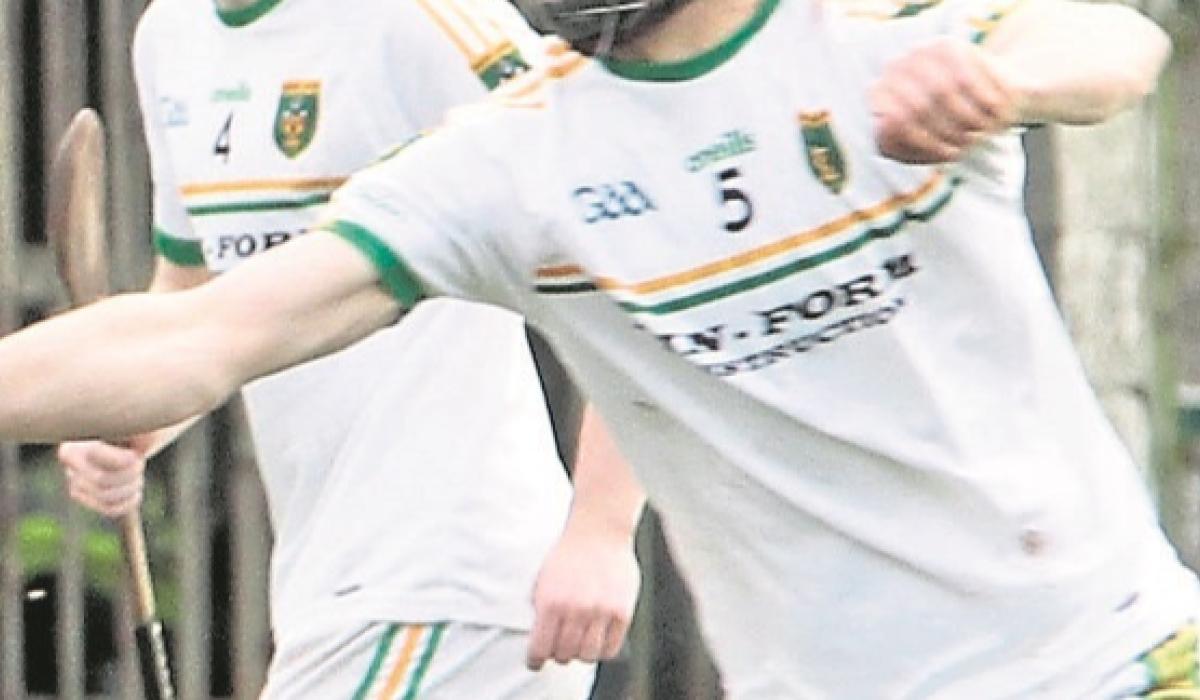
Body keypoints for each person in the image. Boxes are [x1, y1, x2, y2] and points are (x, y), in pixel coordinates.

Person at [1, 0, 1188, 697]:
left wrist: (1004, 81)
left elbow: (1112, 41)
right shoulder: (515, 164)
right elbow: (201, 331)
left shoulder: (865, 37)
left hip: (1111, 664)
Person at [50, 0, 645, 697]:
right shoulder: (170, 36)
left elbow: (633, 215)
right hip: (331, 593)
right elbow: (195, 299)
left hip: (449, 582)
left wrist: (603, 528)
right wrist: (135, 422)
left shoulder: (420, 16)